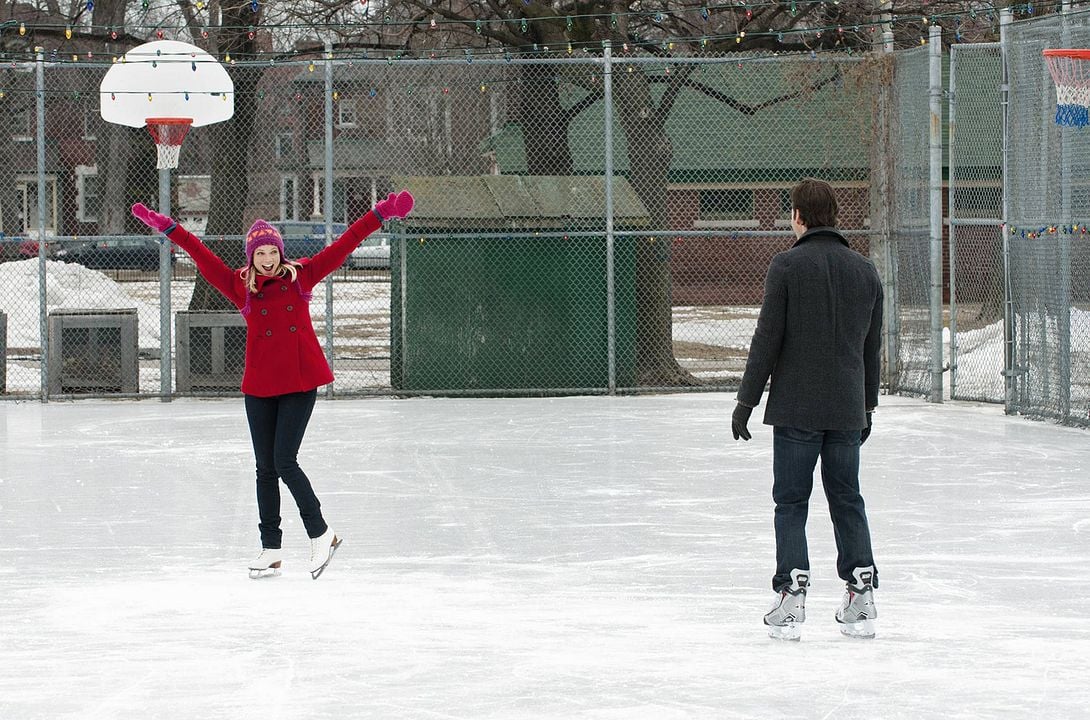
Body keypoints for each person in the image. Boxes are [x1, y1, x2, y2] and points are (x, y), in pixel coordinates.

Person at [131, 191, 415, 580]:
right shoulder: (239, 285)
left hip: (300, 382)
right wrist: (170, 229)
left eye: (272, 252)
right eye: (260, 254)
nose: (268, 259)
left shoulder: (303, 276)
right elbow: (201, 254)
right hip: (260, 386)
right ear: (251, 257)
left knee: (285, 461)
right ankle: (271, 549)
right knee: (265, 469)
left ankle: (321, 533)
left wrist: (379, 214)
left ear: (281, 253)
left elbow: (345, 243)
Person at [731, 178, 882, 640]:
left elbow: (766, 339)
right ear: (833, 216)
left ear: (799, 216)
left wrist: (746, 400)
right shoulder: (865, 271)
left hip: (797, 409)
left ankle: (792, 597)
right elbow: (871, 348)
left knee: (791, 501)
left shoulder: (787, 266)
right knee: (847, 498)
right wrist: (868, 405)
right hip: (845, 410)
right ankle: (861, 593)